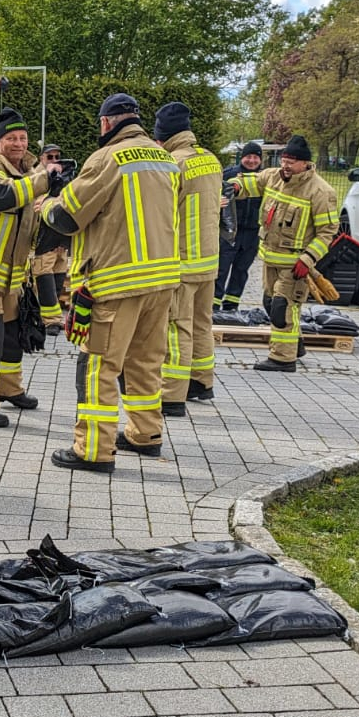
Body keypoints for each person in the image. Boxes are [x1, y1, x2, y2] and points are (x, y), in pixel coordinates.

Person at [39, 93, 181, 472]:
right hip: (162, 280)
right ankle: (145, 434)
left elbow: (68, 217)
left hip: (116, 282)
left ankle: (93, 450)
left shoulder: (107, 158)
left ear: (106, 123)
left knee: (98, 365)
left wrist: (49, 203)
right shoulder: (165, 159)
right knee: (146, 361)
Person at [0, 107, 60, 428]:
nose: (18, 143)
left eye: (23, 138)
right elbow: (1, 197)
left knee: (12, 339)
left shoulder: (30, 172)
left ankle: (8, 388)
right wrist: (44, 179)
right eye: (11, 138)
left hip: (13, 277)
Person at [232, 134, 339, 371]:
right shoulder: (274, 177)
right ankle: (296, 343)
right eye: (284, 160)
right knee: (270, 303)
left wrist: (308, 258)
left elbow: (327, 231)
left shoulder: (320, 191)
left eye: (291, 162)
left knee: (283, 307)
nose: (285, 165)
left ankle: (283, 358)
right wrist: (235, 186)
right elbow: (252, 183)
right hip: (270, 258)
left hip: (295, 264)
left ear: (305, 163)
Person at [153, 102, 223, 413]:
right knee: (201, 323)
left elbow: (163, 214)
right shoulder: (210, 160)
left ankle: (171, 395)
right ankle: (202, 381)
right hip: (209, 260)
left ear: (164, 135)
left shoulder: (172, 164)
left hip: (181, 261)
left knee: (176, 326)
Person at [216, 142, 264, 312]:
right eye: (248, 157)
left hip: (252, 233)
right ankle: (213, 304)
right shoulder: (229, 175)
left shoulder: (265, 179)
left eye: (255, 157)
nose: (251, 161)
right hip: (229, 232)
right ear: (242, 157)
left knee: (241, 270)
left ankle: (231, 305)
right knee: (221, 269)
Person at [31, 143, 73, 329]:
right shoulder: (36, 177)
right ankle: (51, 320)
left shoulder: (63, 177)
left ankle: (48, 318)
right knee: (44, 279)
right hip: (41, 239)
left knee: (57, 278)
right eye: (50, 157)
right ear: (41, 159)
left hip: (59, 238)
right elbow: (36, 206)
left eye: (57, 157)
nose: (55, 161)